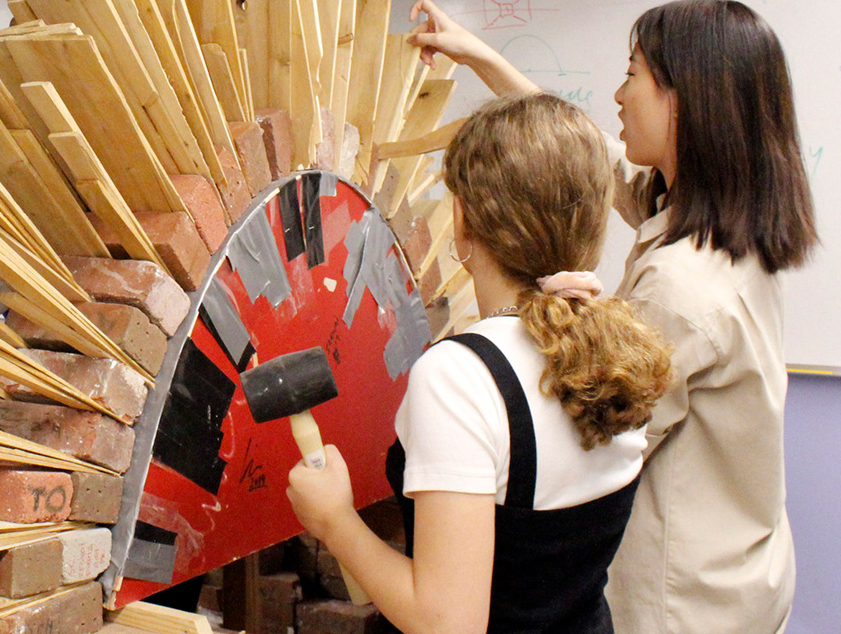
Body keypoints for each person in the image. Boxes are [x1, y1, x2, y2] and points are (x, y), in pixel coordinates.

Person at [407, 0, 817, 632]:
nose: (618, 95)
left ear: (686, 99)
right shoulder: (722, 219)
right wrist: (483, 57)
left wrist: (542, 329)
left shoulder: (680, 288)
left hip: (682, 600)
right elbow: (582, 156)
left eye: (633, 74)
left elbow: (593, 427)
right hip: (750, 566)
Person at [287, 93, 673, 632]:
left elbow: (448, 622)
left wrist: (335, 521)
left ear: (462, 219)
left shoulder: (461, 377)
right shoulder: (615, 349)